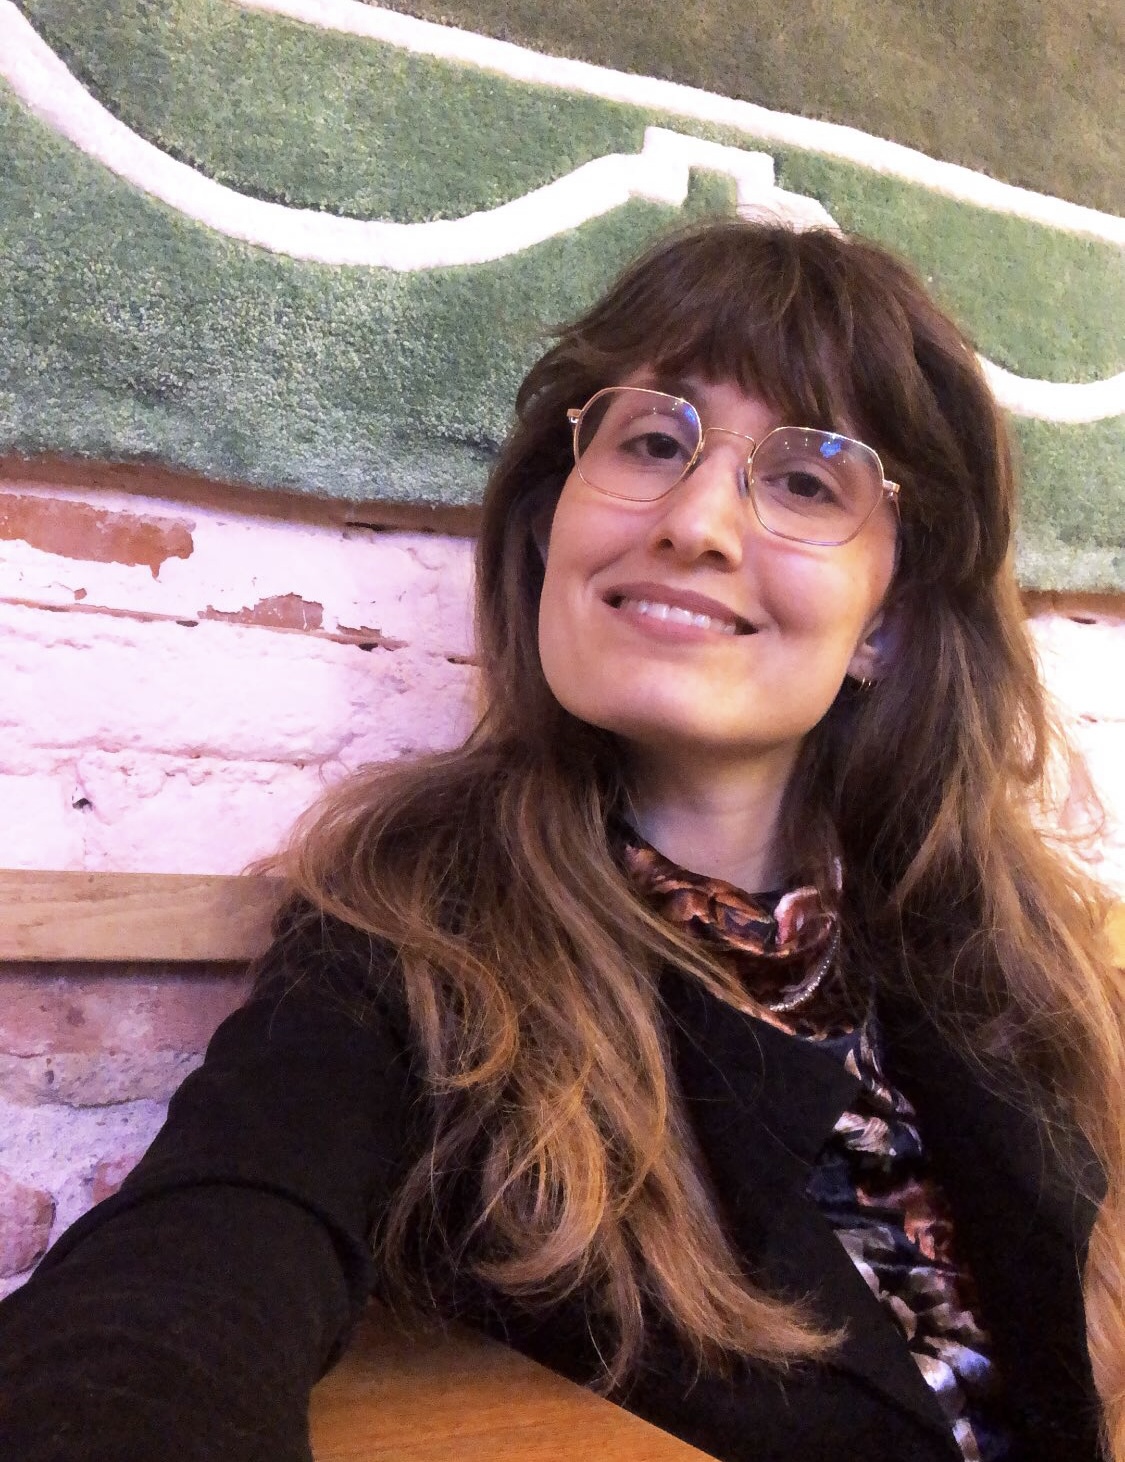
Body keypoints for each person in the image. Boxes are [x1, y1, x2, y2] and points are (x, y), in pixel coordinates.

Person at [0, 219, 1121, 1462]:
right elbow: (177, 1286)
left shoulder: (1013, 956)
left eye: (807, 480)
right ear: (554, 526)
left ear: (887, 623)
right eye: (653, 440)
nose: (696, 521)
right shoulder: (415, 941)